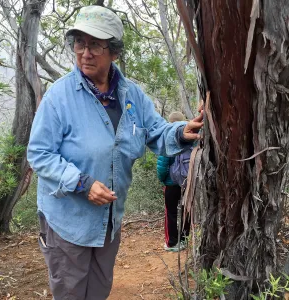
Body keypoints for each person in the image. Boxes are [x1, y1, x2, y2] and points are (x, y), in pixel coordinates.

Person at [27, 5, 203, 300]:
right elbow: (40, 153)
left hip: (108, 222)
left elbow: (157, 132)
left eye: (95, 44)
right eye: (80, 43)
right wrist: (81, 183)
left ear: (114, 52)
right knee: (71, 293)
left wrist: (183, 131)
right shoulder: (59, 96)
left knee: (98, 290)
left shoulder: (132, 95)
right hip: (68, 221)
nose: (85, 52)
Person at [157, 112, 191, 252]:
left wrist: (163, 179)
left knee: (170, 212)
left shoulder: (168, 138)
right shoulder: (191, 137)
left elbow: (162, 164)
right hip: (187, 183)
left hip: (171, 184)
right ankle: (184, 240)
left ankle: (172, 243)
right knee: (186, 211)